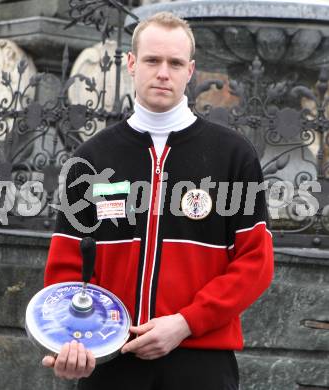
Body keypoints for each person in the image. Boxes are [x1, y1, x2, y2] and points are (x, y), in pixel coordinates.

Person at [42, 11, 274, 390]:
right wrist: (72, 341)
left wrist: (186, 322)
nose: (163, 72)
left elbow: (256, 263)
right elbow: (67, 267)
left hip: (202, 360)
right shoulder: (91, 159)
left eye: (175, 63)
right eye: (152, 60)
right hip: (112, 361)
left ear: (191, 71)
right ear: (132, 64)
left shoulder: (233, 155)